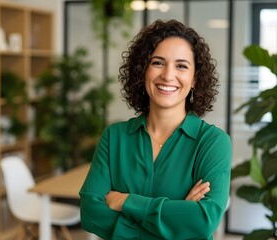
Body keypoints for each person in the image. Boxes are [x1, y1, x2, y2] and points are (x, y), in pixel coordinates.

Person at [79, 19, 232, 240]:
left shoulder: (213, 142)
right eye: (158, 63)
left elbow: (202, 221)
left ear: (195, 79)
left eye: (181, 66)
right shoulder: (114, 137)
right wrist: (176, 218)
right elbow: (91, 214)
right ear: (143, 71)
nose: (168, 76)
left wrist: (125, 201)